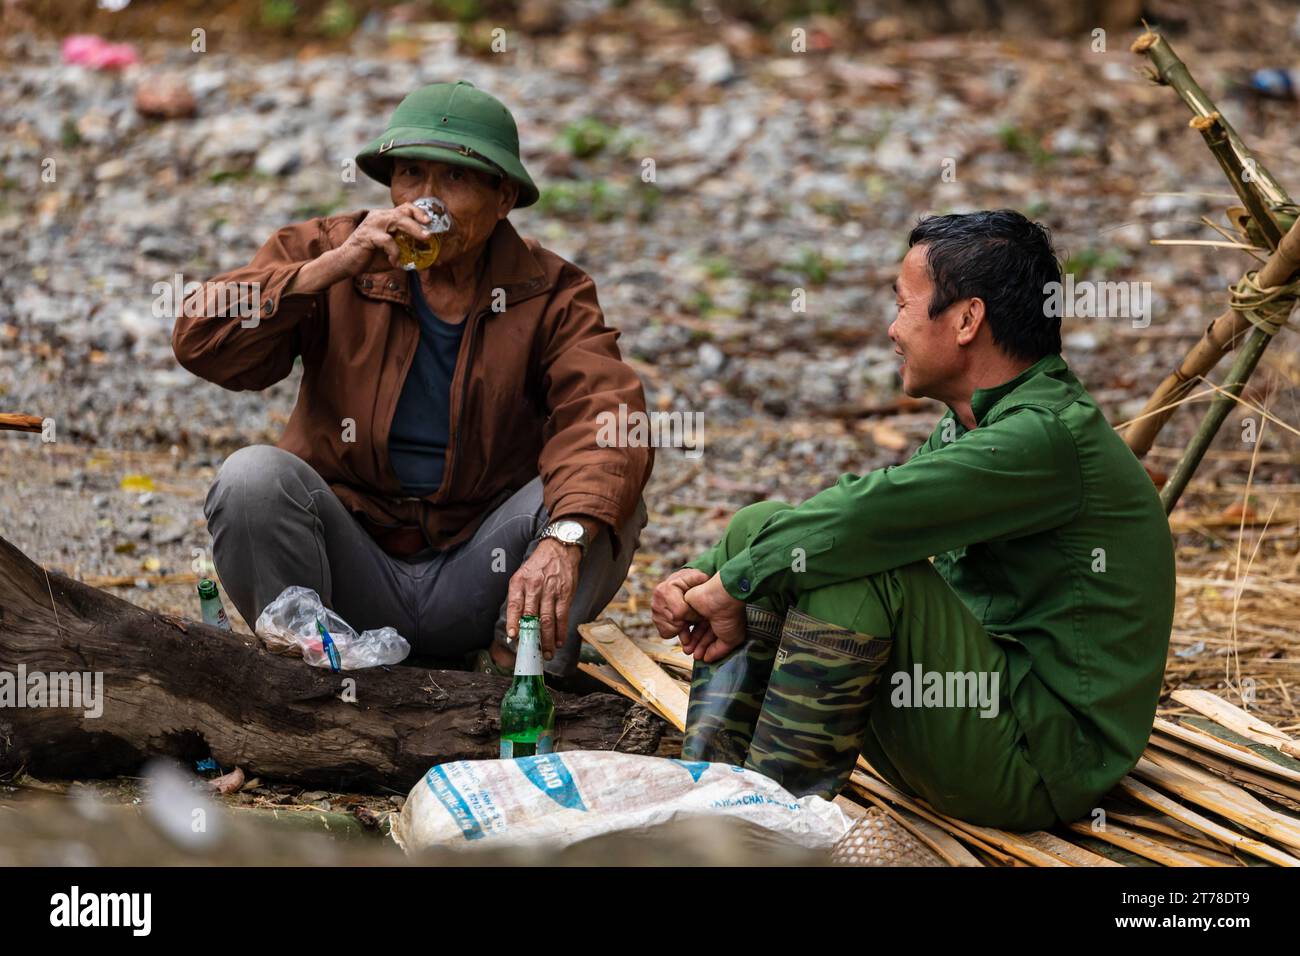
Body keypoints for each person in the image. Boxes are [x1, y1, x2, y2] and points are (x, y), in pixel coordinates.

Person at [653, 210, 1175, 829]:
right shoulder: (980, 422)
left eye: (903, 305)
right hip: (974, 715)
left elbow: (863, 519)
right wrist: (707, 571)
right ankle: (713, 793)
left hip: (1040, 763)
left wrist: (728, 585)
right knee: (758, 527)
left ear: (965, 320)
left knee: (851, 569)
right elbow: (852, 516)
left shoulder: (1043, 438)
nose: (891, 328)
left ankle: (769, 830)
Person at [173, 81, 651, 679]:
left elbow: (609, 418)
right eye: (411, 176)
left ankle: (513, 685)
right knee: (250, 479)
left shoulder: (550, 292)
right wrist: (325, 271)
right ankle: (305, 686)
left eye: (454, 179)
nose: (427, 202)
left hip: (480, 573)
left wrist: (564, 537)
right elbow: (199, 341)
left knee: (603, 506)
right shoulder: (334, 250)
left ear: (503, 196)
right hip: (355, 570)